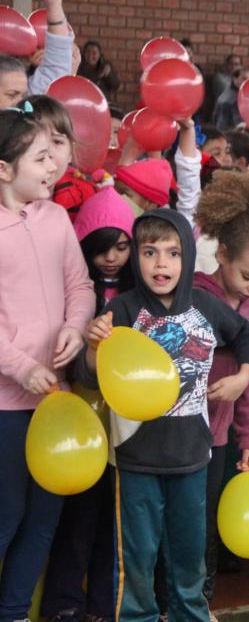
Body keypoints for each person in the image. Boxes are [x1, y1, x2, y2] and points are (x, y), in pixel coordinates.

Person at [79, 205, 249, 620]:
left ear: (190, 257)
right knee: (137, 559)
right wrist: (92, 349)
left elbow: (247, 333)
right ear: (136, 257)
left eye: (173, 253)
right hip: (135, 459)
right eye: (149, 252)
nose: (161, 263)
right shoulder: (121, 311)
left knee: (188, 557)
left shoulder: (205, 307)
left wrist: (243, 375)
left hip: (191, 459)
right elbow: (89, 379)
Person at [0, 106, 94, 622]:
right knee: (7, 515)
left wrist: (74, 328)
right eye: (40, 158)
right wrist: (17, 365)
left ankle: (14, 611)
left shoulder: (56, 218)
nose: (53, 166)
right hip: (7, 405)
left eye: (54, 154)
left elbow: (79, 287)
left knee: (44, 517)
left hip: (56, 401)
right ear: (3, 169)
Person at [40, 187, 133, 622]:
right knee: (77, 518)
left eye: (121, 247)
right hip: (79, 422)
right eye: (101, 249)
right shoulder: (74, 294)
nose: (111, 258)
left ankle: (103, 603)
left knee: (112, 525)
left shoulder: (136, 297)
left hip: (125, 427)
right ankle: (62, 602)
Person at [192, 171, 249, 611]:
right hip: (174, 437)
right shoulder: (191, 295)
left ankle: (200, 600)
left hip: (219, 440)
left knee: (207, 524)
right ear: (222, 253)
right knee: (177, 523)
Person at [0, 0, 75, 105]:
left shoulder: (24, 115)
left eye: (23, 95)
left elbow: (54, 71)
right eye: (12, 95)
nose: (22, 103)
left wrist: (54, 5)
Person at [28, 94, 101, 221]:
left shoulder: (88, 199)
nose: (47, 153)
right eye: (33, 140)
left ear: (70, 152)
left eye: (57, 142)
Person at [214, 66, 249, 132]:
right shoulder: (236, 99)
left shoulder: (225, 94)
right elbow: (240, 126)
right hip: (233, 138)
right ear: (235, 79)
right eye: (244, 78)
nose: (248, 82)